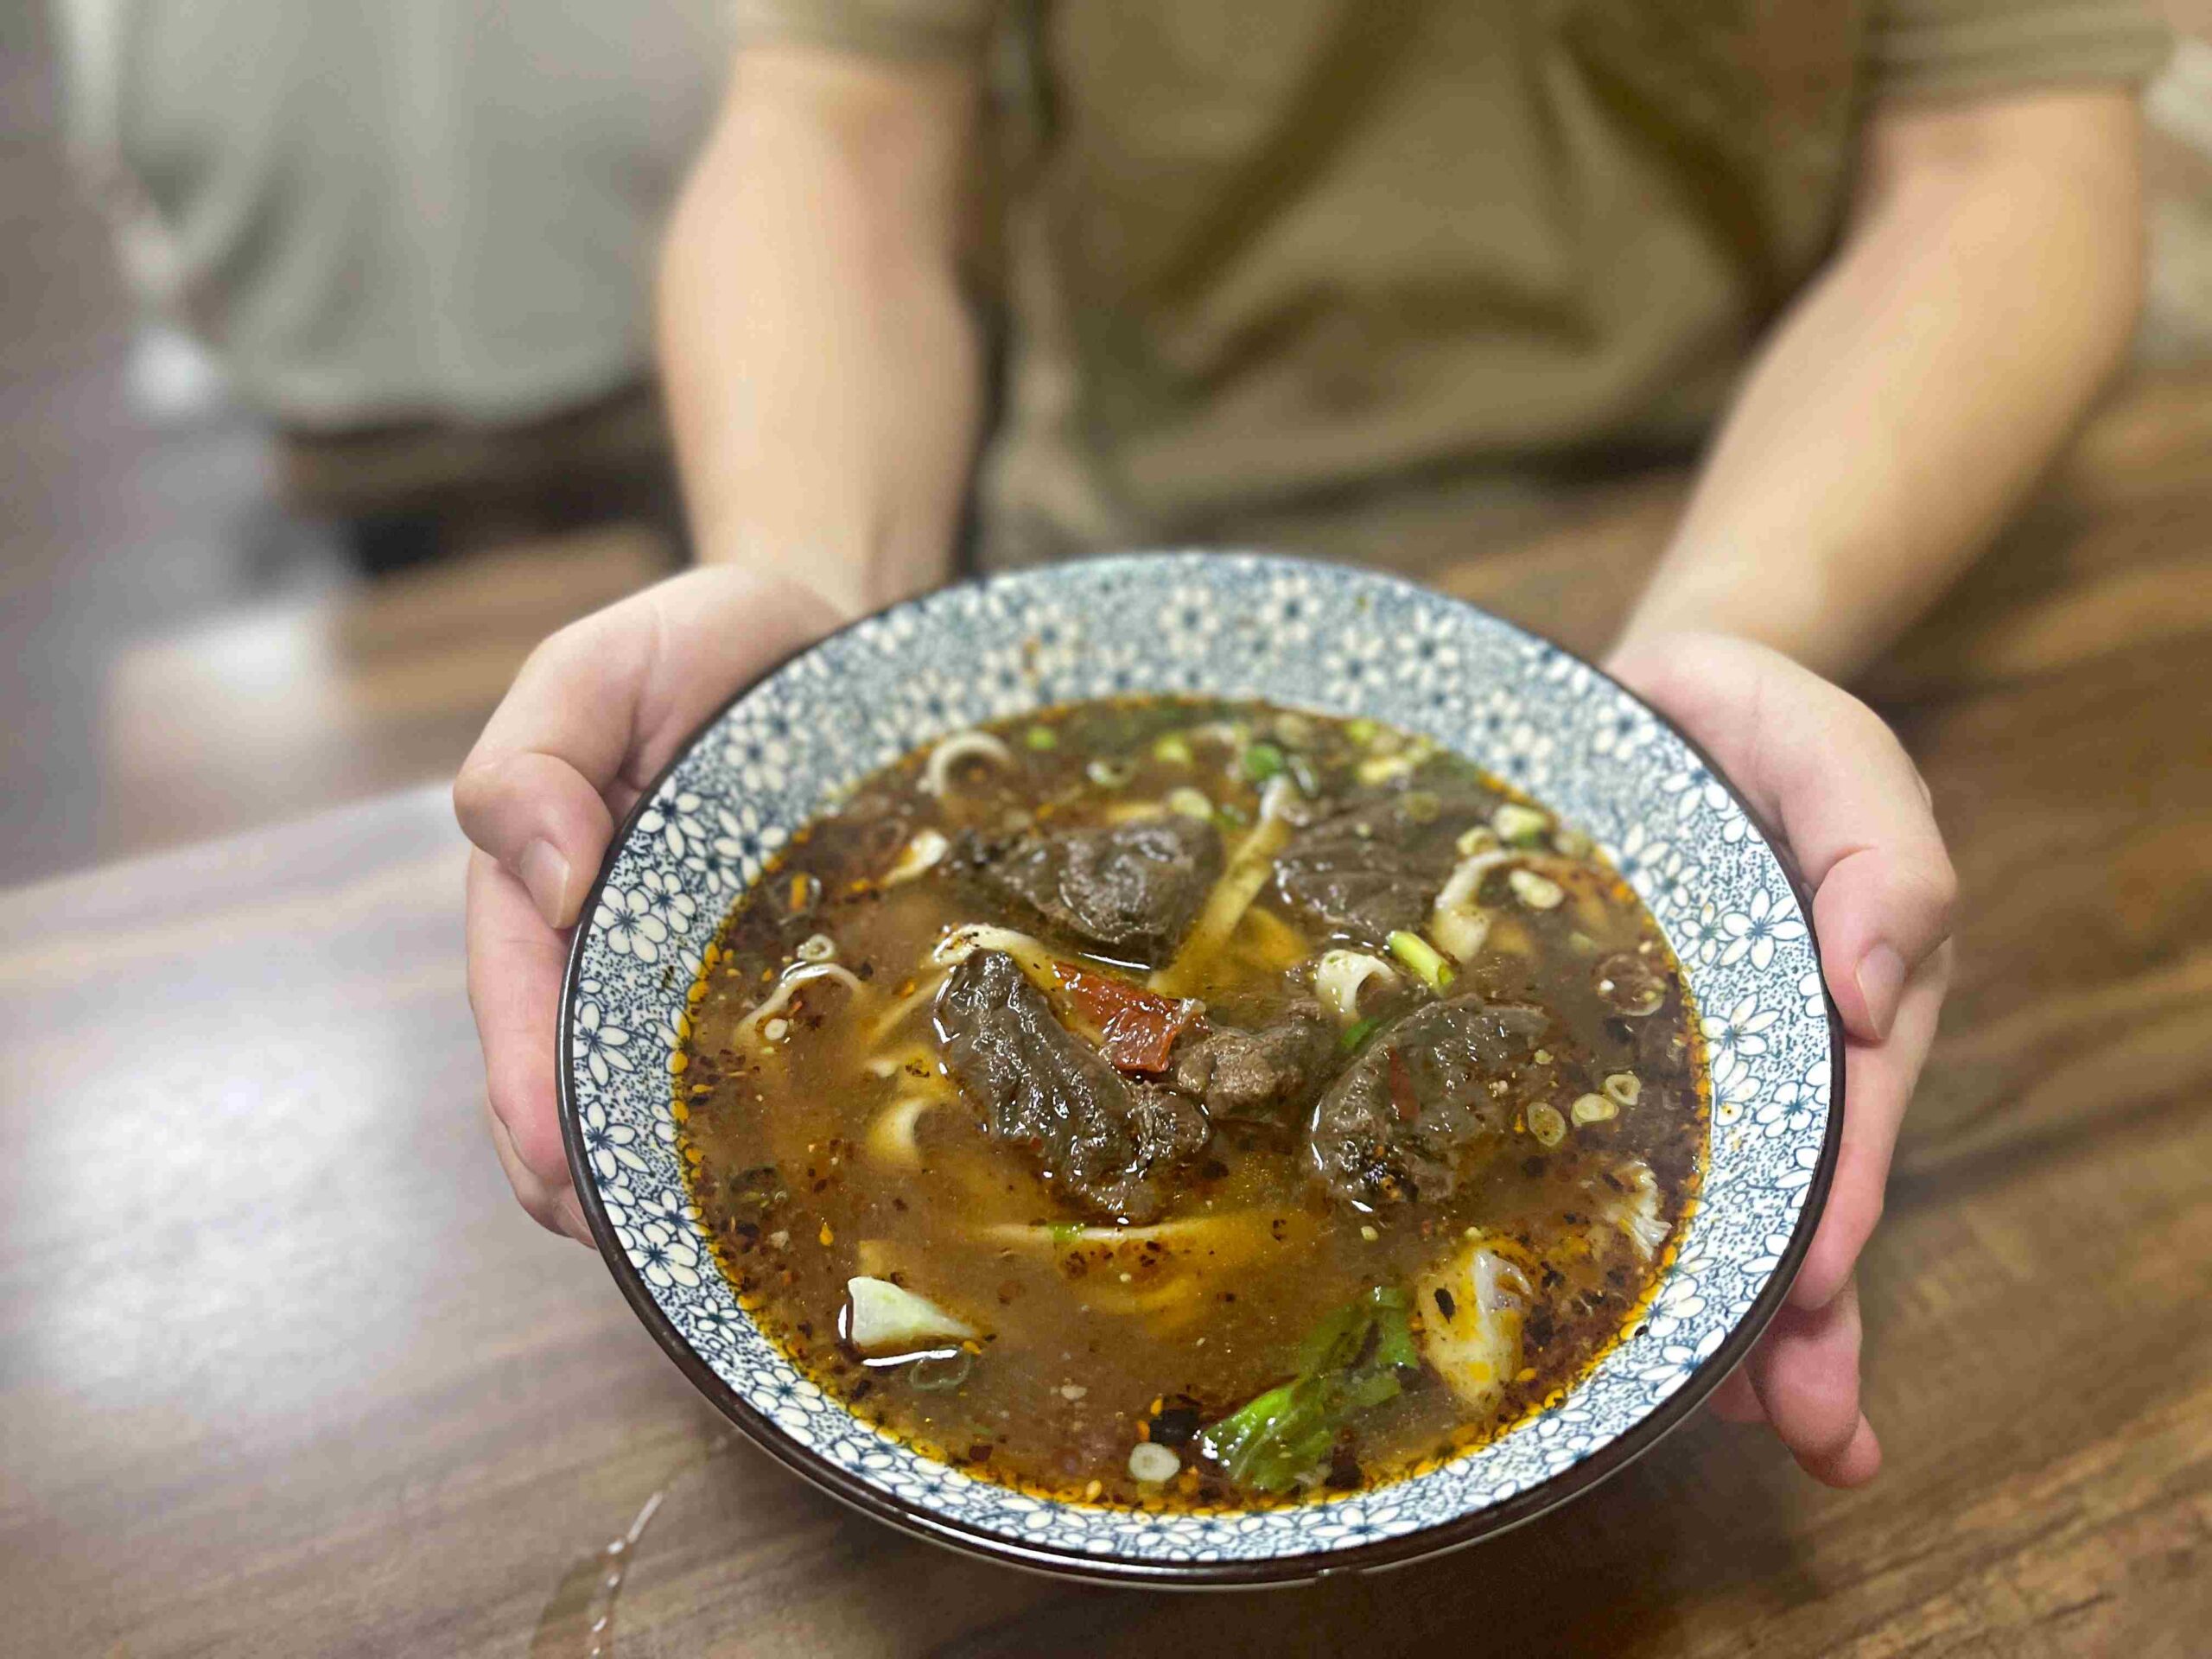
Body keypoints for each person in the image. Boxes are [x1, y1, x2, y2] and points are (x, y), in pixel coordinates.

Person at [454, 2, 2167, 1490]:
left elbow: (2005, 154)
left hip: (1722, 517)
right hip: (1095, 561)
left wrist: (1742, 632)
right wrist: (808, 603)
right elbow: (836, 125)